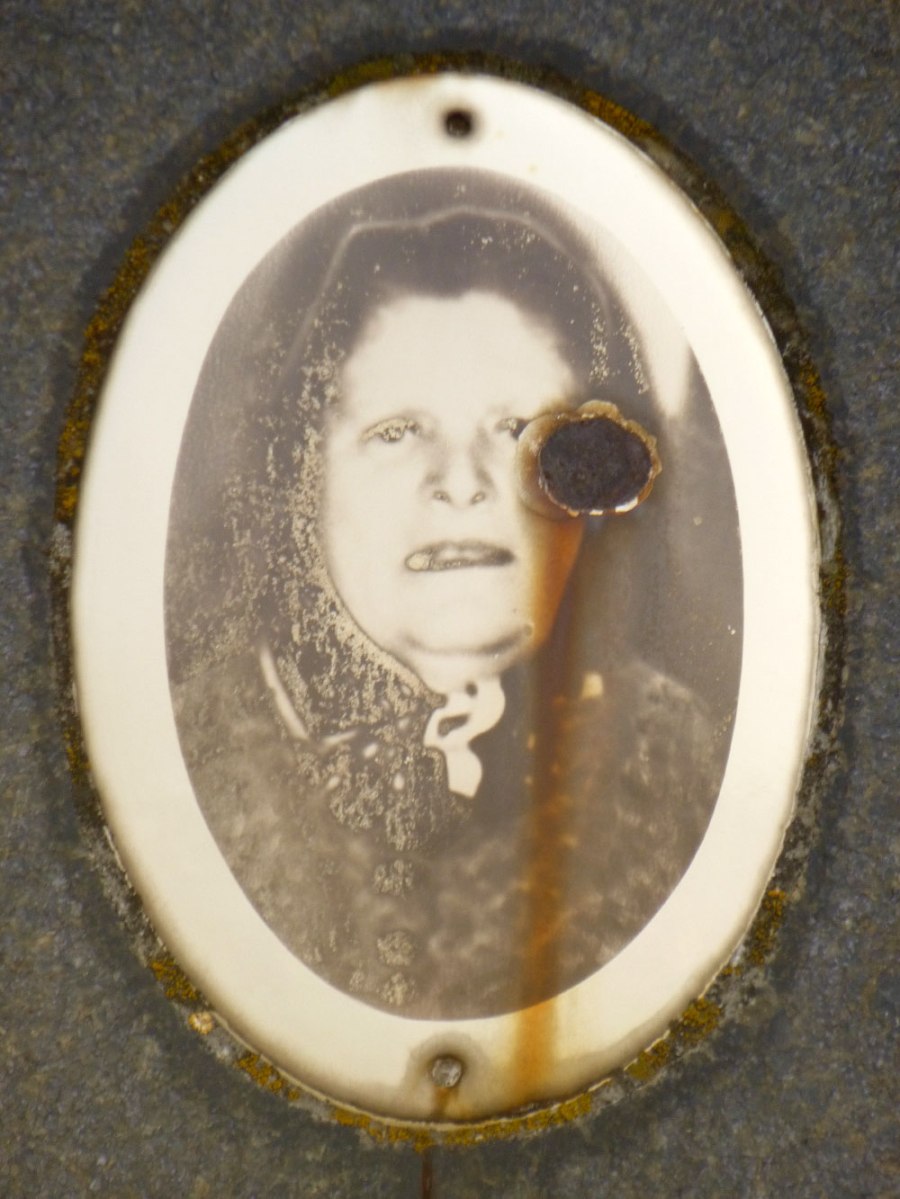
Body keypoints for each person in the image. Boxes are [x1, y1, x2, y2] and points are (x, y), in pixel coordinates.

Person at [167, 171, 730, 1019]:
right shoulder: (189, 765)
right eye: (398, 431)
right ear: (302, 483)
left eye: (516, 429)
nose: (460, 484)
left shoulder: (687, 765)